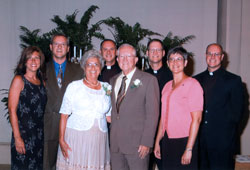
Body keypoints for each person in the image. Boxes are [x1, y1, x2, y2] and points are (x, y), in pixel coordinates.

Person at [56, 49, 111, 169]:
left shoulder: (107, 88)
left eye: (96, 64)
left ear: (101, 67)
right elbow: (64, 115)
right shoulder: (74, 87)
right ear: (84, 67)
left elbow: (110, 117)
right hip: (76, 138)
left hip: (99, 140)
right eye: (89, 64)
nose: (92, 68)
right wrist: (61, 140)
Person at [109, 43, 160, 170]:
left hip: (137, 145)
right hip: (116, 145)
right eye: (121, 56)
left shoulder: (149, 80)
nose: (124, 59)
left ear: (136, 60)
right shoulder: (113, 80)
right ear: (117, 59)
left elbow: (152, 114)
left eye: (129, 56)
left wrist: (147, 142)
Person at [194, 43, 243, 170]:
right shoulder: (196, 80)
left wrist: (227, 134)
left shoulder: (234, 80)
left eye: (216, 54)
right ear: (205, 56)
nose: (212, 56)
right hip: (199, 141)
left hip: (223, 142)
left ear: (222, 57)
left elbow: (238, 113)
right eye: (210, 53)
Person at [154, 46, 203, 170]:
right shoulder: (166, 86)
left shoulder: (193, 84)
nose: (175, 62)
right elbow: (163, 117)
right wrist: (157, 142)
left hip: (184, 141)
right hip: (167, 141)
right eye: (172, 59)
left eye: (179, 59)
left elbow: (196, 120)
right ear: (168, 63)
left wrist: (189, 148)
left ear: (186, 62)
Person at [43, 33, 84, 170]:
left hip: (72, 126)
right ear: (50, 47)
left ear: (68, 48)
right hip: (48, 125)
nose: (59, 47)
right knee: (47, 164)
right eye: (56, 44)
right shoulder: (41, 69)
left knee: (71, 164)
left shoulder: (80, 70)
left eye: (63, 44)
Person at [8, 46, 47, 170]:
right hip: (23, 135)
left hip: (39, 135)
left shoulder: (42, 82)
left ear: (41, 61)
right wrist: (17, 137)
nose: (34, 61)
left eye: (37, 58)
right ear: (24, 61)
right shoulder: (19, 80)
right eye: (30, 58)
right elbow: (12, 110)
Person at [145, 39, 173, 170]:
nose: (155, 52)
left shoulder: (173, 75)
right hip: (146, 131)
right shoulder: (140, 76)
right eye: (152, 50)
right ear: (147, 53)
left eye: (158, 50)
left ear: (163, 53)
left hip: (167, 132)